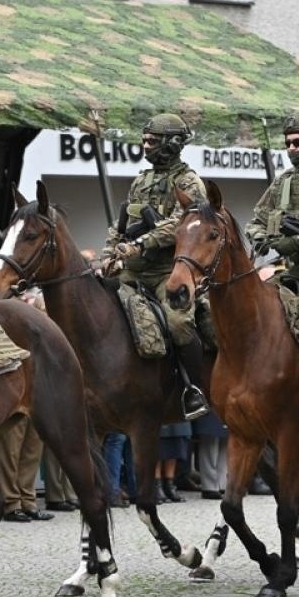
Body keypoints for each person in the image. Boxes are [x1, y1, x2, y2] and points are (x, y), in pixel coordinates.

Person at [102, 112, 210, 420]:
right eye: (145, 140)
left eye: (152, 141)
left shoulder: (189, 182)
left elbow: (179, 224)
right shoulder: (141, 180)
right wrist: (110, 253)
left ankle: (195, 389)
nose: (145, 146)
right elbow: (121, 224)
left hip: (169, 272)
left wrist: (139, 245)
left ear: (172, 144)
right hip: (133, 270)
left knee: (178, 323)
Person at [248, 108, 299, 292]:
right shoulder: (283, 180)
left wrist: (298, 241)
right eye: (288, 143)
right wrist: (263, 239)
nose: (291, 148)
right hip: (294, 269)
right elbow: (256, 223)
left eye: (298, 142)